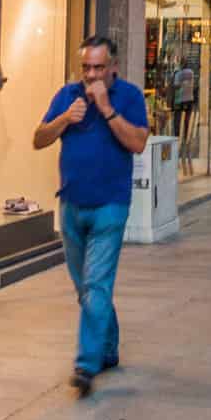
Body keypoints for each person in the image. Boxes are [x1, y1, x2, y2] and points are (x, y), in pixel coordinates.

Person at [32, 36, 149, 396]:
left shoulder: (129, 96)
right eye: (86, 67)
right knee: (85, 288)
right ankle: (108, 346)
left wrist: (107, 110)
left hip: (110, 205)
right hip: (71, 202)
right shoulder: (67, 95)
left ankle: (85, 365)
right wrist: (65, 119)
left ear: (113, 67)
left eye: (99, 67)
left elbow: (138, 142)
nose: (91, 74)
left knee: (97, 283)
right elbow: (38, 138)